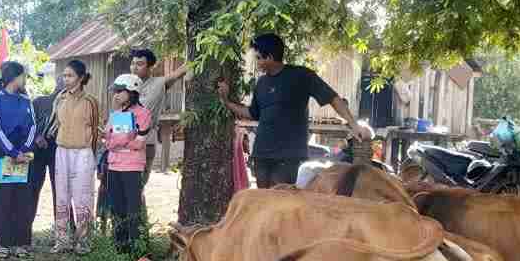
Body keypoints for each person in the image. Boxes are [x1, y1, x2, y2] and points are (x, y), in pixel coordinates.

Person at [222, 32, 364, 187]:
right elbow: (252, 113)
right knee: (263, 203)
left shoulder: (301, 76)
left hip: (287, 156)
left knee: (280, 201)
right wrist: (226, 101)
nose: (256, 63)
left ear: (269, 57)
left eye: (258, 58)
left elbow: (332, 98)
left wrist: (353, 124)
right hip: (262, 155)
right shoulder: (261, 83)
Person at [0, 61, 38, 258]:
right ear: (15, 77)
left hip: (24, 155)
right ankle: (4, 242)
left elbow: (33, 127)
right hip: (4, 154)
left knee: (22, 198)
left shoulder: (26, 101)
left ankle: (21, 242)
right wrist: (12, 152)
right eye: (23, 76)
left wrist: (24, 150)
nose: (25, 80)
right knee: (4, 197)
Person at [50, 60, 99, 254]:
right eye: (64, 75)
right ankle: (62, 240)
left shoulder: (91, 101)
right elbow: (55, 125)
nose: (65, 79)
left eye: (69, 75)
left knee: (83, 196)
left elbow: (96, 130)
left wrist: (93, 156)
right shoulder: (59, 99)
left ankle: (83, 241)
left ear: (80, 78)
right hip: (61, 151)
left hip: (83, 153)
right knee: (61, 194)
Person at [102, 73, 152, 256]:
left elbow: (139, 143)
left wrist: (116, 141)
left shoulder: (143, 114)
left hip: (132, 167)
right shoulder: (115, 114)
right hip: (114, 165)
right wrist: (124, 139)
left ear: (132, 92)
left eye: (119, 91)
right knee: (117, 207)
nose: (115, 95)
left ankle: (139, 250)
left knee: (133, 208)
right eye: (115, 91)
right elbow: (106, 141)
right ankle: (120, 247)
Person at [129, 48, 188, 186]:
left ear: (150, 67)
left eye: (140, 64)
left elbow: (182, 70)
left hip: (146, 141)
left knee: (137, 186)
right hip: (123, 141)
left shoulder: (159, 83)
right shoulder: (124, 84)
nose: (134, 68)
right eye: (133, 63)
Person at [30, 86, 58, 220]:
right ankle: (25, 227)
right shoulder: (39, 102)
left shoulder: (69, 104)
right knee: (32, 188)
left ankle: (64, 228)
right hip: (38, 149)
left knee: (60, 191)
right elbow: (28, 122)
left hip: (59, 149)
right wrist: (36, 136)